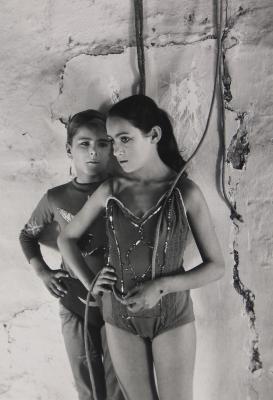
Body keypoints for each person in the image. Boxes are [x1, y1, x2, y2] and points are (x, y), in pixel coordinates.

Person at [58, 95, 225, 400]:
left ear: (154, 135)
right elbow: (65, 238)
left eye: (125, 139)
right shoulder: (110, 190)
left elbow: (216, 266)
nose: (117, 150)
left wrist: (161, 286)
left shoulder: (185, 192)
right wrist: (90, 283)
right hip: (119, 317)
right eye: (112, 141)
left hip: (171, 316)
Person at [19, 109, 124, 400]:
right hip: (74, 300)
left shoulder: (123, 191)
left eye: (103, 143)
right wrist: (42, 272)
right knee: (87, 385)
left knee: (120, 385)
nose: (94, 152)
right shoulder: (56, 197)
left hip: (117, 300)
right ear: (69, 149)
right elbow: (27, 235)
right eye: (85, 144)